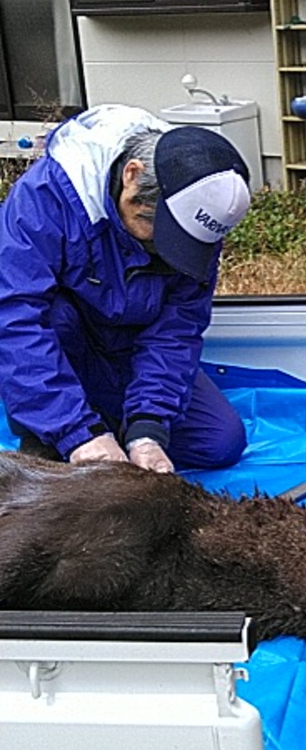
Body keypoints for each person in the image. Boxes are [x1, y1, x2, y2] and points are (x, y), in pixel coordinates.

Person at [0, 103, 252, 474]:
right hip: (69, 349)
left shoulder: (200, 219)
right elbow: (14, 319)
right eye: (154, 224)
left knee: (220, 443)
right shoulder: (46, 197)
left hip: (130, 352)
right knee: (55, 317)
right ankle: (55, 426)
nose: (162, 245)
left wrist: (148, 428)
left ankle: (113, 421)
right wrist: (78, 434)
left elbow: (178, 329)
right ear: (132, 176)